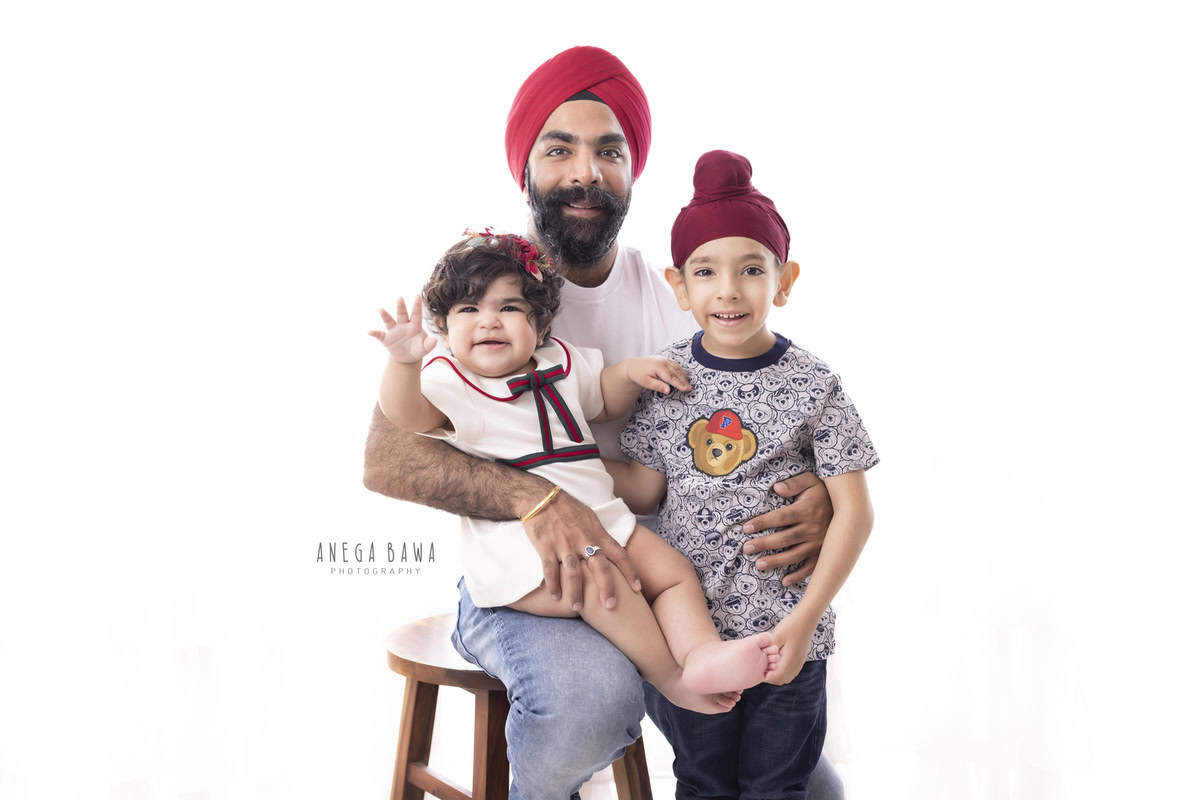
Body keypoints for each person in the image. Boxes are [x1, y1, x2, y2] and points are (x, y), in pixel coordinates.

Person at [362, 46, 845, 799]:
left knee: (807, 788)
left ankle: (681, 679)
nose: (585, 172)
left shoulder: (678, 293)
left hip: (658, 556)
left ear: (631, 172)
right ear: (526, 168)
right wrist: (537, 499)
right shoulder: (487, 291)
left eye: (608, 151)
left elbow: (754, 411)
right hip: (535, 573)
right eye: (560, 149)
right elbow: (387, 461)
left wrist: (814, 491)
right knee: (588, 708)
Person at [368, 229, 781, 711]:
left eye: (508, 308)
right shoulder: (451, 380)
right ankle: (671, 679)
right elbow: (407, 416)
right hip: (523, 552)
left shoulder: (558, 362)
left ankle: (702, 654)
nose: (489, 322)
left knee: (672, 571)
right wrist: (403, 363)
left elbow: (601, 398)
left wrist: (630, 374)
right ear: (443, 325)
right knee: (599, 579)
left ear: (540, 325)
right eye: (469, 310)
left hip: (605, 520)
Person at [608, 149, 879, 797]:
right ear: (680, 286)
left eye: (751, 269)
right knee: (703, 781)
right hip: (694, 644)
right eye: (706, 271)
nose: (728, 289)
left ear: (783, 281)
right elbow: (648, 488)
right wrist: (565, 468)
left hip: (790, 637)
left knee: (775, 787)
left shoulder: (815, 385)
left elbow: (855, 512)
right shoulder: (665, 377)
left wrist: (805, 620)